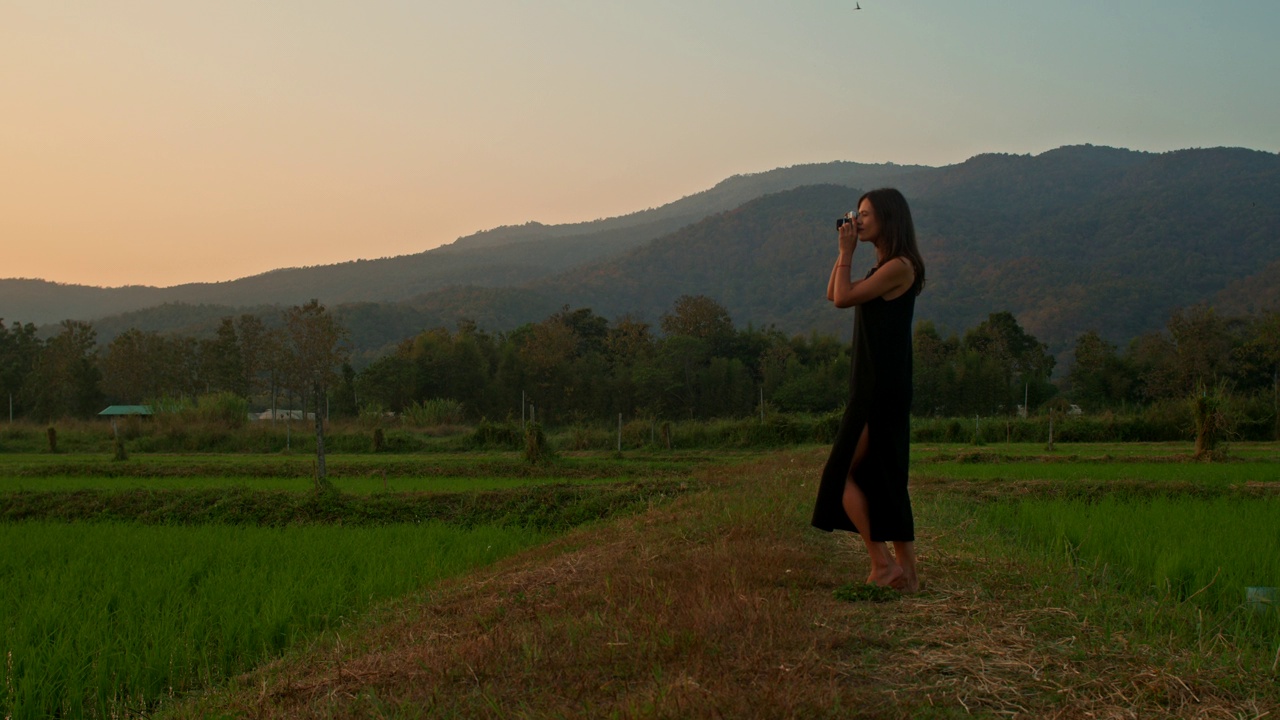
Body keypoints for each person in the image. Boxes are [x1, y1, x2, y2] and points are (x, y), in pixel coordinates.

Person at [812, 187, 926, 592]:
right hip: (880, 384)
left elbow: (842, 298)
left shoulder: (899, 267)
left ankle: (882, 564)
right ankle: (907, 574)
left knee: (841, 473)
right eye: (855, 215)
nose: (857, 222)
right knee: (885, 476)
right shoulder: (885, 270)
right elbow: (835, 292)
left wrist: (846, 253)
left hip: (877, 388)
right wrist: (844, 253)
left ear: (888, 219)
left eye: (864, 215)